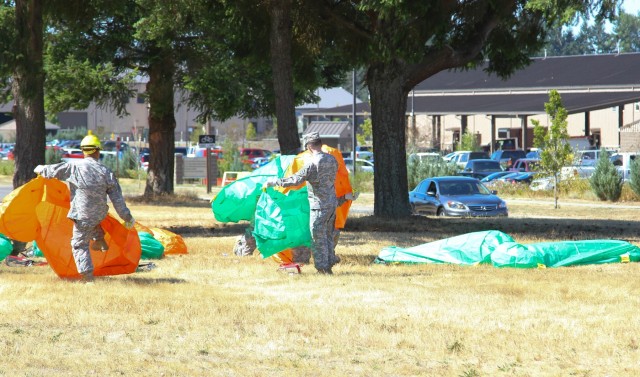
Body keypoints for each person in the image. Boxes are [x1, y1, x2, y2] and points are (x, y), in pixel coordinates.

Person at [34, 132, 135, 281]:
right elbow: (117, 200)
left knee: (79, 244)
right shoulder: (106, 172)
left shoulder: (74, 167)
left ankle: (87, 277)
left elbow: (52, 171)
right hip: (100, 213)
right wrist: (127, 217)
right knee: (92, 221)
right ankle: (99, 239)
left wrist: (40, 169)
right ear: (98, 151)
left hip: (82, 215)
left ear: (83, 150)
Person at [263, 132, 339, 274]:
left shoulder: (312, 163)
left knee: (317, 237)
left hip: (319, 206)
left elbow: (295, 180)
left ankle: (323, 269)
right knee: (328, 235)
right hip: (332, 204)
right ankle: (329, 263)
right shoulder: (332, 159)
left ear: (309, 147)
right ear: (319, 144)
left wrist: (274, 182)